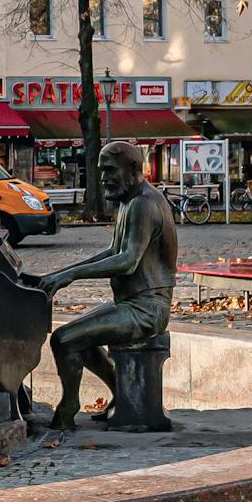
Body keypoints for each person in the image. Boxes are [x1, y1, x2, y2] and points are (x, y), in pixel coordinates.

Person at [37, 142, 177, 431]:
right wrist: (60, 273)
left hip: (147, 309)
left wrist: (72, 277)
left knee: (64, 340)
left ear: (133, 169)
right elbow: (113, 250)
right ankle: (120, 392)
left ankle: (69, 408)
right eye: (101, 172)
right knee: (75, 337)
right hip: (132, 303)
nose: (102, 179)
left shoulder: (144, 204)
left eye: (109, 171)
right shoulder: (130, 201)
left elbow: (126, 261)